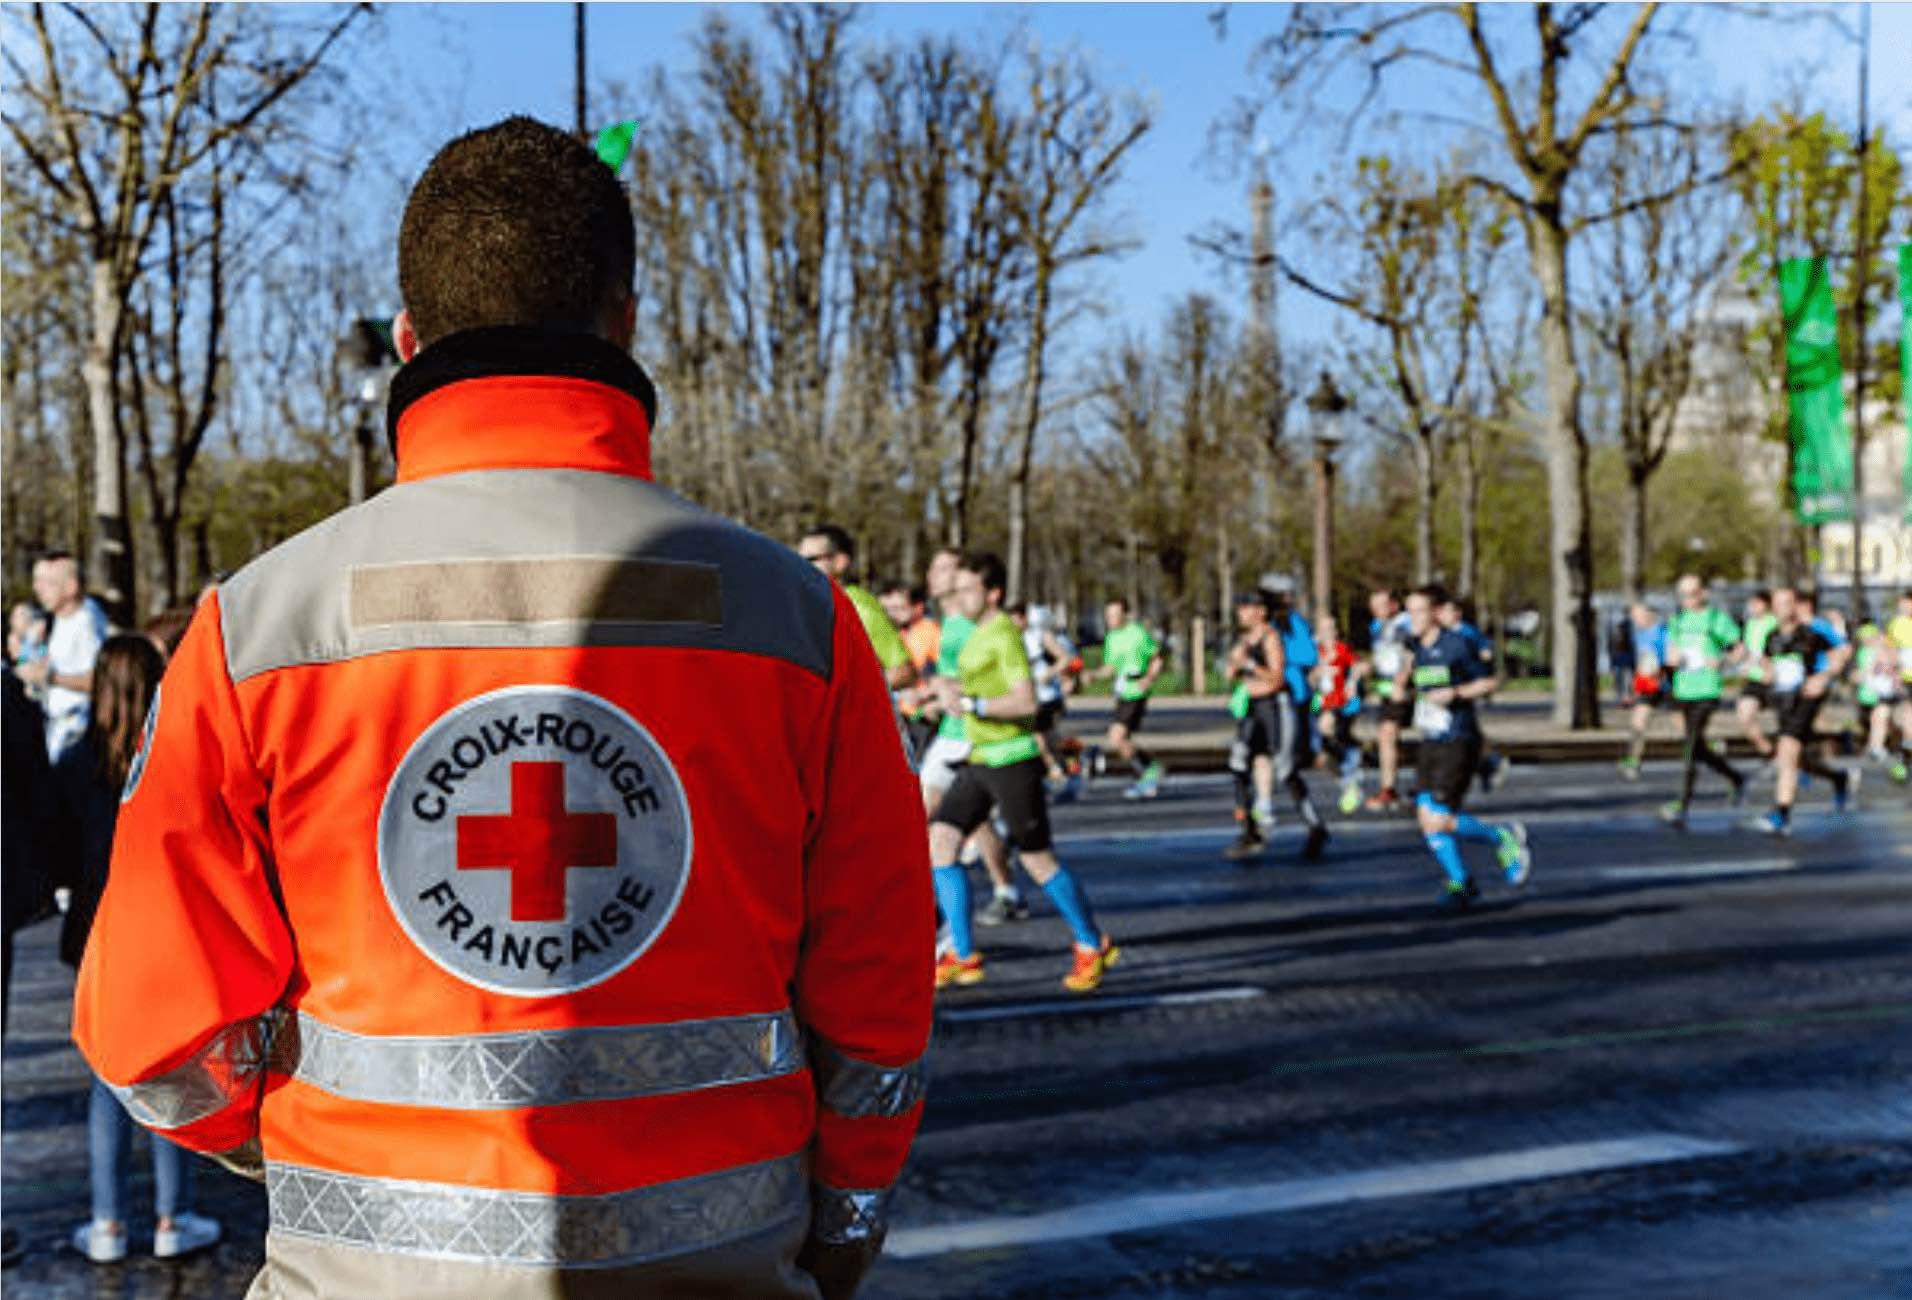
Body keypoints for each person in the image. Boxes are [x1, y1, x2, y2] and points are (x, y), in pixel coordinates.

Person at [73, 117, 932, 1300]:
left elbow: (146, 1026)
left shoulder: (259, 627)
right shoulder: (797, 624)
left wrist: (308, 1144)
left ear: (411, 340)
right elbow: (879, 1001)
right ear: (625, 323)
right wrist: (840, 1227)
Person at [53, 636, 224, 1264]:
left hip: (97, 936)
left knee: (106, 1079)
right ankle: (172, 1215)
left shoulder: (75, 763)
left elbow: (58, 850)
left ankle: (107, 1223)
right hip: (168, 930)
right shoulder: (180, 757)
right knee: (169, 1073)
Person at [928, 553, 1119, 992]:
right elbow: (975, 688)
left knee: (1036, 858)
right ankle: (962, 952)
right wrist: (945, 693)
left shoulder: (1002, 636)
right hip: (981, 757)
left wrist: (972, 704)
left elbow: (1026, 701)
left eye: (968, 589)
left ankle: (1092, 942)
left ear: (992, 593)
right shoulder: (977, 634)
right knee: (941, 839)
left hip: (1012, 759)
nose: (960, 596)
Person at [912, 548, 1029, 927]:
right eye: (934, 567)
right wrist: (931, 696)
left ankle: (936, 914)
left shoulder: (971, 624)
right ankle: (1005, 891)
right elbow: (950, 677)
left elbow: (983, 679)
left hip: (970, 735)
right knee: (972, 825)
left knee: (925, 819)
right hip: (952, 728)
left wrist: (954, 697)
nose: (936, 574)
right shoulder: (947, 622)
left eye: (945, 568)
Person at [1404, 587, 1532, 907]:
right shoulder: (1416, 647)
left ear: (1435, 613)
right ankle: (1462, 882)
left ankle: (1501, 837)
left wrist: (1456, 693)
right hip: (1431, 738)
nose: (1412, 619)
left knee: (1437, 818)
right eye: (1409, 612)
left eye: (1418, 611)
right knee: (1424, 816)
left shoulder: (1457, 645)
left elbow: (1490, 681)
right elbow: (1415, 684)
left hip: (1458, 740)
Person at [1754, 587, 1857, 836]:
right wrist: (1766, 673)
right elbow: (1768, 662)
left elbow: (1843, 651)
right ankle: (1837, 778)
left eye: (1788, 603)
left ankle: (1781, 812)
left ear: (1796, 605)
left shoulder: (1812, 632)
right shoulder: (1772, 635)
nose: (1783, 609)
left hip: (1807, 697)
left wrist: (1824, 677)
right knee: (1796, 757)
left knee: (1787, 749)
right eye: (1778, 604)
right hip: (1783, 700)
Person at [1655, 575, 1747, 828]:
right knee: (1696, 746)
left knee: (1691, 746)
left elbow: (1739, 649)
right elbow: (1671, 653)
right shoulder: (1677, 621)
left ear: (1703, 594)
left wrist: (1723, 661)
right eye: (1683, 595)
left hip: (1706, 690)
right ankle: (1735, 777)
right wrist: (1671, 660)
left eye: (1693, 593)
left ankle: (1682, 804)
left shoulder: (1715, 619)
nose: (1688, 599)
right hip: (1683, 689)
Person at [800, 524, 918, 692]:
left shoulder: (858, 606)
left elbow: (904, 671)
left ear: (840, 562)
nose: (800, 567)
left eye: (811, 560)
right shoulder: (812, 607)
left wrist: (850, 694)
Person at [18, 551, 109, 761]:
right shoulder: (51, 621)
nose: (37, 589)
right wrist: (31, 649)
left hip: (79, 734)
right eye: (36, 581)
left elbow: (101, 680)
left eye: (47, 582)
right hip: (53, 731)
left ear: (71, 587)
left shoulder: (87, 621)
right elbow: (25, 667)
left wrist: (51, 678)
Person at [1435, 592, 1510, 794]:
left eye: (1446, 611)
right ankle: (1487, 763)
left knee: (1465, 729)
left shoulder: (1466, 632)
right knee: (1468, 731)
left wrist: (1481, 662)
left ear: (1457, 613)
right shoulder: (1441, 634)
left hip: (1469, 684)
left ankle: (1484, 763)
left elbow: (1486, 651)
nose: (1441, 615)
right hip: (1454, 686)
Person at [1094, 597, 1164, 799]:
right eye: (1108, 615)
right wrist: (1093, 675)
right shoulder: (1111, 638)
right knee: (1120, 738)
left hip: (1136, 691)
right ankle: (1148, 771)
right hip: (1123, 691)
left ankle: (1148, 772)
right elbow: (1111, 668)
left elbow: (1157, 658)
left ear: (1125, 614)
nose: (1111, 619)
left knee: (1117, 737)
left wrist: (1149, 678)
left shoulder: (1138, 633)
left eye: (1115, 614)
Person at [1010, 604, 1077, 800]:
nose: (1013, 624)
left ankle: (1059, 773)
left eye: (1016, 619)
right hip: (1029, 698)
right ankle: (1059, 771)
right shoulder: (1011, 639)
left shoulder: (1039, 635)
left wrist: (1049, 673)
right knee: (1042, 740)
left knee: (1039, 739)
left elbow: (1066, 658)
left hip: (1048, 696)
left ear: (1024, 618)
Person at [1363, 588, 1415, 812]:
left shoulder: (1404, 624)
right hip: (1387, 687)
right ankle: (1390, 787)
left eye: (1381, 606)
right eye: (1373, 607)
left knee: (1388, 734)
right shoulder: (1378, 627)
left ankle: (1390, 788)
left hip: (1404, 687)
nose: (1376, 611)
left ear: (1394, 605)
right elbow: (1381, 655)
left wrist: (1401, 682)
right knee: (1388, 735)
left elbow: (1409, 653)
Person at [1312, 613, 1365, 815]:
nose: (1328, 634)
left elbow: (1358, 666)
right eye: (1323, 630)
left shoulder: (1342, 650)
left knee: (1328, 727)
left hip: (1341, 703)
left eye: (1332, 629)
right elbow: (1309, 675)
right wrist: (1317, 672)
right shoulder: (1316, 652)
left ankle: (1352, 768)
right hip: (1320, 703)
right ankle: (1348, 778)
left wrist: (1352, 683)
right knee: (1324, 750)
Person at [884, 580, 941, 759]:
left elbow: (944, 672)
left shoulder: (931, 632)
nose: (893, 614)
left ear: (918, 607)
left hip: (922, 717)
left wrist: (928, 696)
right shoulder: (897, 633)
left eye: (899, 608)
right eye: (889, 609)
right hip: (901, 716)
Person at [1617, 602, 1669, 781]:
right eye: (1633, 617)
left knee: (1683, 723)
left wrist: (1661, 672)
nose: (1635, 620)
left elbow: (1670, 658)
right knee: (1638, 723)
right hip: (1648, 687)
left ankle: (1710, 743)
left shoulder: (1662, 632)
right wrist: (1635, 688)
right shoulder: (1639, 635)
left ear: (1648, 615)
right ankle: (1634, 760)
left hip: (1667, 685)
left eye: (1637, 616)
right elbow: (1643, 662)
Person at [1734, 589, 1780, 774]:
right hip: (1754, 678)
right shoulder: (1750, 624)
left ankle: (1792, 758)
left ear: (1765, 604)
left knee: (1786, 724)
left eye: (1755, 603)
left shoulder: (1774, 622)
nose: (1751, 607)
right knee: (1744, 716)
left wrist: (1767, 665)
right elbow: (1745, 650)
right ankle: (1771, 754)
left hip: (1774, 678)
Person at [1854, 621, 1906, 778]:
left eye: (1871, 637)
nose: (1868, 641)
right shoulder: (1861, 653)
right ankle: (1860, 768)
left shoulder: (1888, 650)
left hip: (1885, 698)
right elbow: (1857, 675)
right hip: (1866, 700)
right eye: (1865, 638)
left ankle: (1895, 761)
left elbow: (1897, 668)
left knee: (1887, 725)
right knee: (1875, 732)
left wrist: (1884, 651)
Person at [1884, 591, 1912, 784]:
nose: (1904, 608)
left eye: (1907, 604)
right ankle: (1903, 760)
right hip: (1906, 679)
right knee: (1907, 722)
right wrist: (1893, 673)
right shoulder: (1897, 625)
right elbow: (1890, 649)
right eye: (1902, 604)